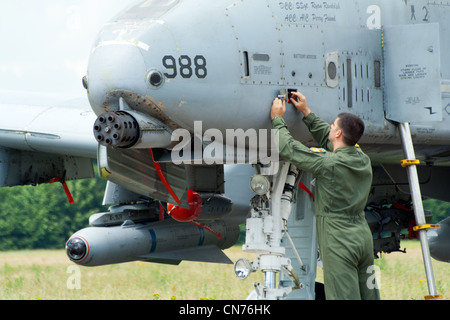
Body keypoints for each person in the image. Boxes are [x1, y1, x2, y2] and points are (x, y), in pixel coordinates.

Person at [270, 91, 380, 300]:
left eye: (333, 126)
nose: (330, 127)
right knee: (369, 295)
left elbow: (289, 150)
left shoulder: (329, 164)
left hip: (339, 240)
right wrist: (306, 112)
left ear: (338, 134)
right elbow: (331, 141)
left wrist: (277, 119)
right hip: (363, 237)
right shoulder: (361, 157)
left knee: (342, 296)